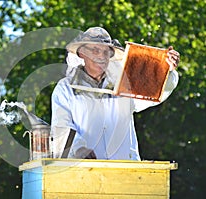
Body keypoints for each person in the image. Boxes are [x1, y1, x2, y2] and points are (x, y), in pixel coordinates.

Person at [50, 27, 180, 160]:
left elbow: (157, 92)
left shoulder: (125, 84)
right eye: (95, 50)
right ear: (82, 53)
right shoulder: (65, 89)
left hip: (126, 169)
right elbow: (61, 126)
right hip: (85, 171)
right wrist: (78, 148)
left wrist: (167, 70)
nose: (101, 56)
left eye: (106, 52)